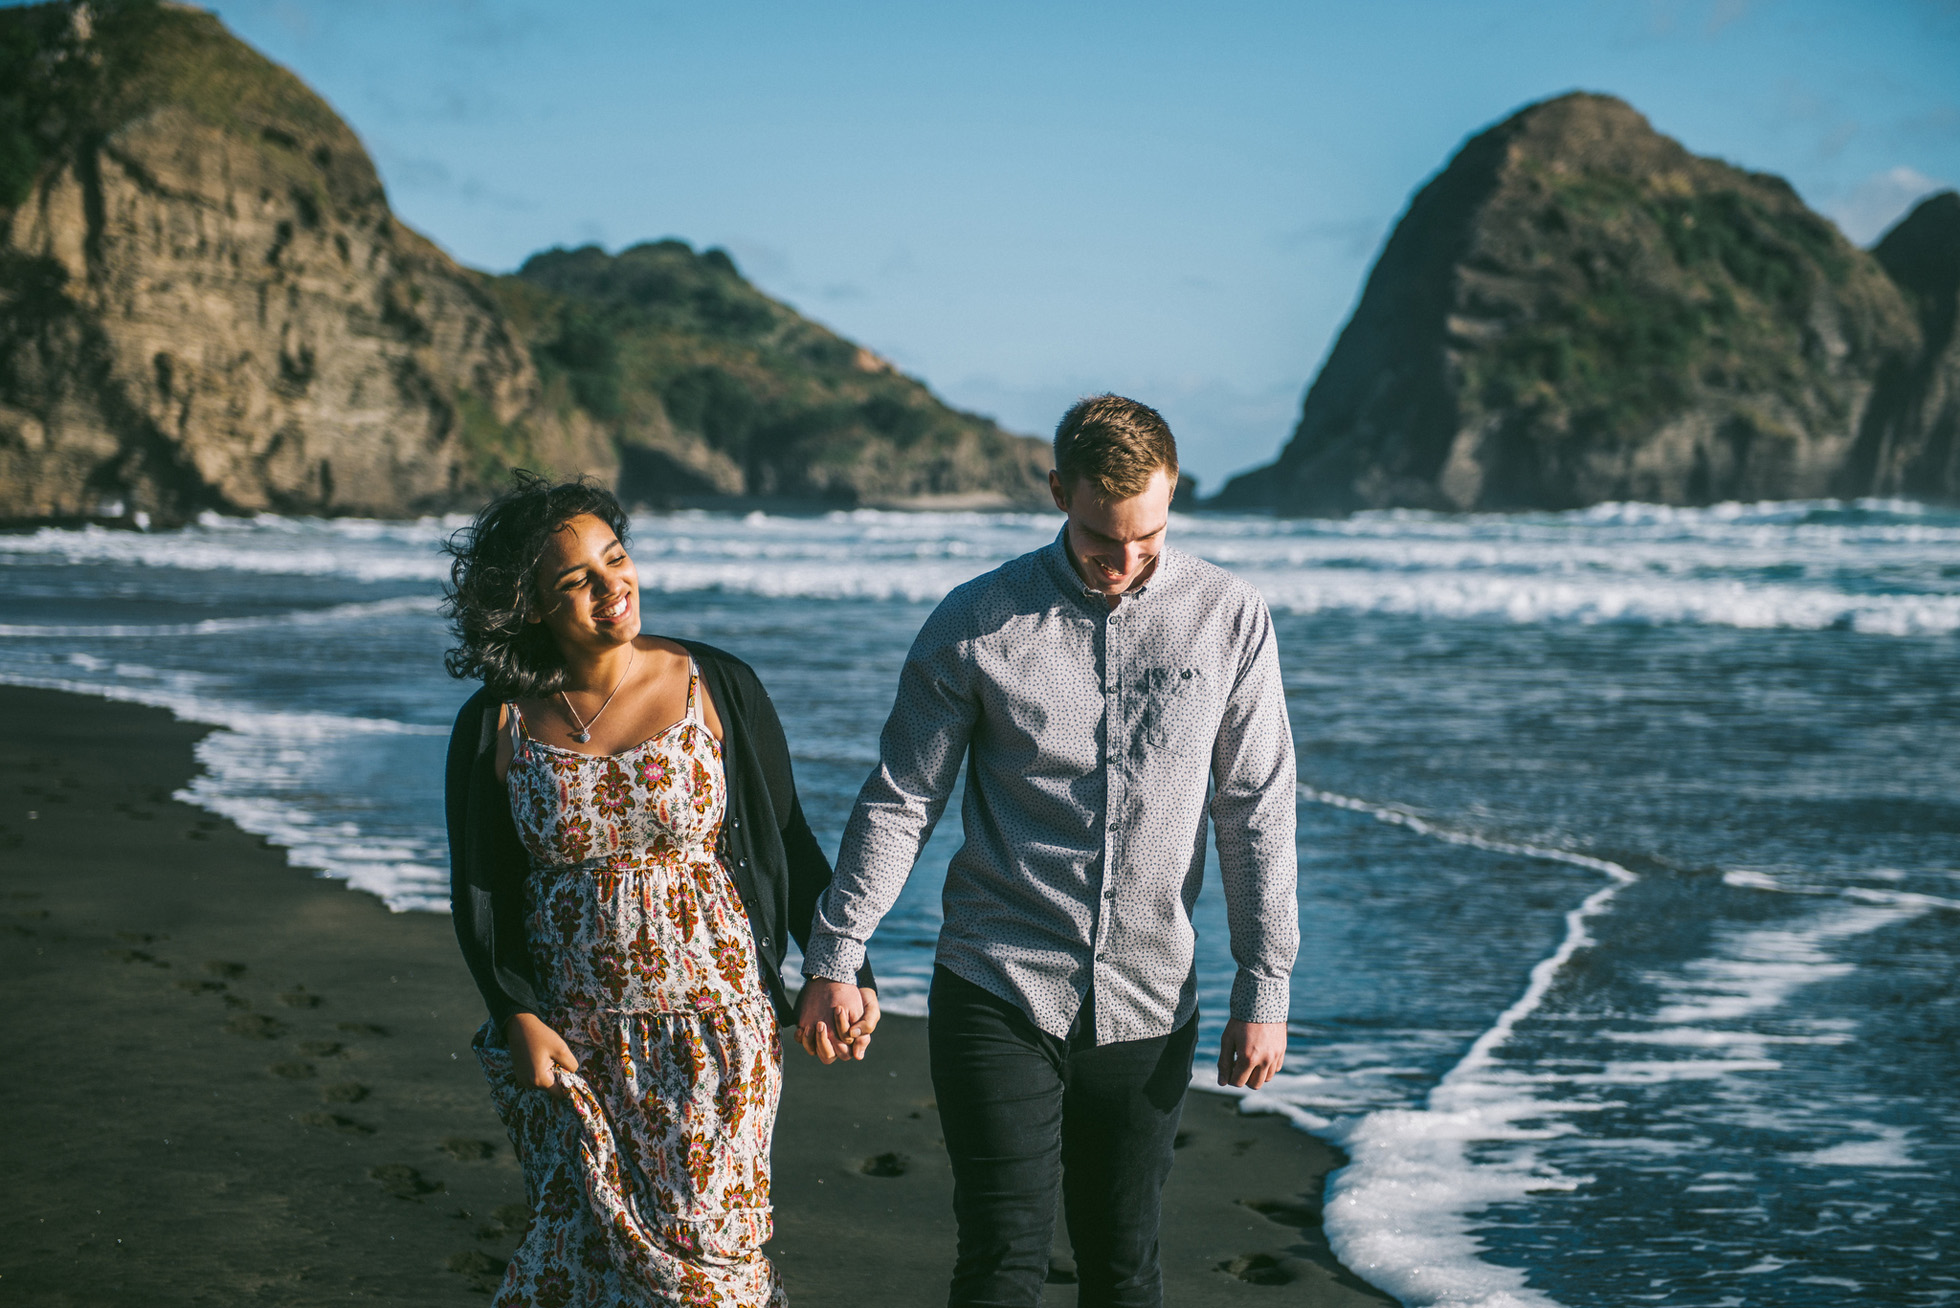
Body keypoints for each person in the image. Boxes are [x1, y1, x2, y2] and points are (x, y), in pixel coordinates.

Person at [796, 394, 1300, 1307]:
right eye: (1102, 538)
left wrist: (1263, 984)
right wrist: (836, 952)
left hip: (1151, 998)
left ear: (1173, 491)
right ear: (1058, 490)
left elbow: (1255, 808)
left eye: (1147, 537)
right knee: (1000, 1258)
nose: (1124, 562)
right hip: (998, 982)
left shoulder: (1229, 617)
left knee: (1124, 1265)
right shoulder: (976, 620)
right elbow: (903, 800)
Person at [441, 472, 877, 1307]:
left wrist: (841, 970)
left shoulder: (715, 686)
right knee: (581, 1256)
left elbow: (788, 843)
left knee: (708, 1273)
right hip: (574, 1042)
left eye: (618, 558)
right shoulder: (497, 721)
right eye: (578, 581)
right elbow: (483, 889)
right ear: (531, 605)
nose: (615, 587)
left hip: (717, 1036)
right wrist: (516, 1012)